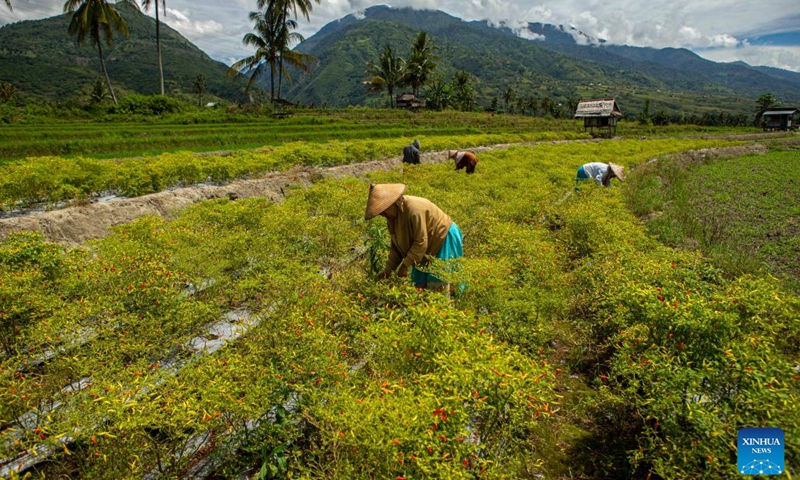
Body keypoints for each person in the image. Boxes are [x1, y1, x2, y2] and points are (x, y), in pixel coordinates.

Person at [364, 183, 464, 290]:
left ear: (393, 204)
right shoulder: (392, 218)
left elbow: (421, 241)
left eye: (383, 211)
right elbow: (396, 248)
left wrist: (405, 266)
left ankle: (450, 304)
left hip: (443, 236)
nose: (383, 215)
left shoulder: (414, 210)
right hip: (425, 245)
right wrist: (387, 271)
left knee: (438, 280)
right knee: (420, 284)